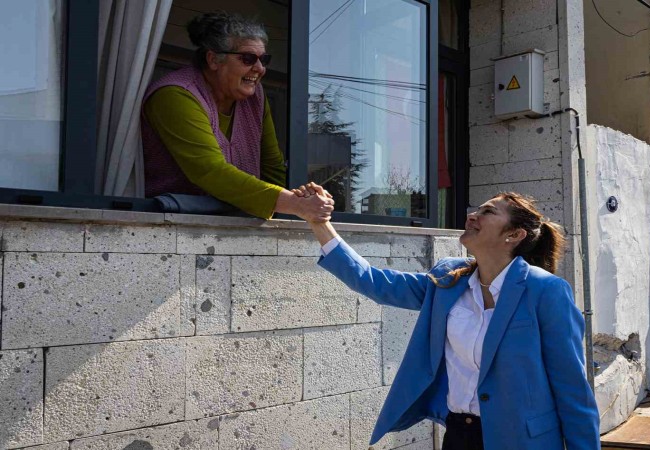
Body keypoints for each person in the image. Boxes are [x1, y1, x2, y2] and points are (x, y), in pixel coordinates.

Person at [293, 183, 600, 450]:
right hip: (459, 434)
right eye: (475, 210)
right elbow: (375, 282)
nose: (472, 215)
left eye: (488, 212)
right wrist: (320, 224)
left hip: (523, 440)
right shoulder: (448, 280)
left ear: (514, 234)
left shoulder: (545, 290)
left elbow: (572, 389)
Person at [142, 11, 331, 222]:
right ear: (213, 59)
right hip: (171, 223)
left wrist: (303, 198)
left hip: (237, 221)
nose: (260, 68)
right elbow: (210, 172)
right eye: (248, 58)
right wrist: (295, 204)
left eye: (264, 59)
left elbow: (272, 167)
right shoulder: (175, 94)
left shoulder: (256, 98)